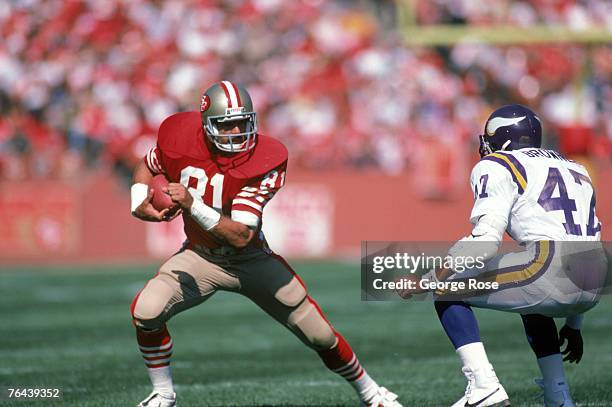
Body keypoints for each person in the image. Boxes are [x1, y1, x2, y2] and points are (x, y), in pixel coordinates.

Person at [130, 81, 402, 407]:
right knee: (146, 311)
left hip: (250, 259)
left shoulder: (264, 158)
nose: (235, 131)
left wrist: (193, 204)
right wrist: (137, 198)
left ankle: (372, 393)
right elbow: (149, 165)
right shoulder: (179, 136)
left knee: (320, 334)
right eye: (226, 124)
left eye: (242, 123)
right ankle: (163, 393)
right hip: (200, 256)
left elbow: (241, 234)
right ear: (205, 125)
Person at [399, 104, 606, 407]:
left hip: (549, 269)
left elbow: (484, 243)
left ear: (505, 138)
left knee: (447, 287)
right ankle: (558, 395)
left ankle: (483, 385)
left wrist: (429, 278)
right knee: (528, 296)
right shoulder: (577, 168)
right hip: (596, 280)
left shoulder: (498, 164)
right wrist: (574, 325)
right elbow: (585, 242)